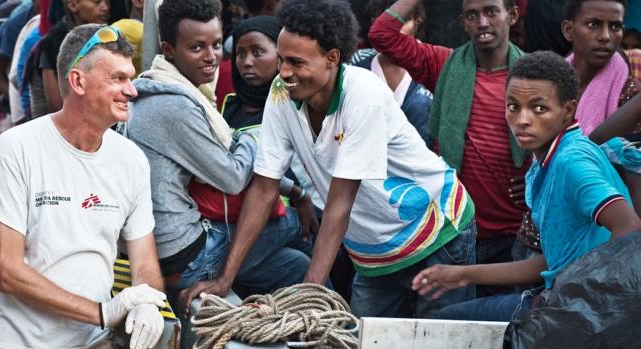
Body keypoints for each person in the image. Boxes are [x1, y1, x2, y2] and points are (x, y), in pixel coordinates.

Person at [190, 0, 477, 318]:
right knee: (362, 338)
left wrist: (308, 296)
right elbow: (264, 187)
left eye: (296, 62)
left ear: (332, 58)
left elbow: (340, 203)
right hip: (374, 252)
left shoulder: (362, 95)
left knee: (437, 336)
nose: (284, 72)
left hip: (437, 232)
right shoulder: (281, 92)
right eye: (282, 59)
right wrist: (224, 279)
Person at [0, 24, 166, 349]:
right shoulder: (18, 147)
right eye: (118, 78)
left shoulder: (131, 160)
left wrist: (146, 301)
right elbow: (7, 271)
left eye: (131, 78)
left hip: (91, 342)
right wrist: (103, 312)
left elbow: (144, 263)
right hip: (8, 342)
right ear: (78, 81)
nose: (132, 90)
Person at [412, 51, 641, 322]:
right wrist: (463, 274)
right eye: (513, 106)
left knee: (443, 325)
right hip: (562, 300)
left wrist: (584, 297)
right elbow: (552, 263)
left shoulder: (571, 163)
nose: (522, 119)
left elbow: (629, 229)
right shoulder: (548, 157)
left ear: (568, 111)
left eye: (538, 108)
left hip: (582, 311)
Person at [126, 0, 312, 313]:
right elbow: (233, 177)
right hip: (186, 255)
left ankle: (331, 326)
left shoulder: (160, 88)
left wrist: (294, 190)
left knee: (297, 265)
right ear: (169, 50)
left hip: (165, 247)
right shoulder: (176, 106)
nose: (211, 57)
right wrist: (252, 138)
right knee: (300, 224)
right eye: (196, 47)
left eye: (215, 44)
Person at [369, 0, 531, 297]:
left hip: (513, 233)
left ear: (513, 15)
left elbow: (560, 138)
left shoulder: (533, 74)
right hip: (454, 230)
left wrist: (536, 177)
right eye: (472, 15)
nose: (482, 22)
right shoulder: (444, 63)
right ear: (463, 23)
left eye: (491, 11)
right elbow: (382, 34)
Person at [350, 0, 433, 146]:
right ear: (375, 22)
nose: (395, 28)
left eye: (404, 20)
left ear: (417, 21)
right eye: (387, 19)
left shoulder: (433, 64)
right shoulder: (357, 63)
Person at [561, 0, 639, 136]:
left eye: (615, 27)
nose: (605, 36)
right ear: (568, 30)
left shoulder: (631, 96)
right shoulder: (548, 85)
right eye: (593, 24)